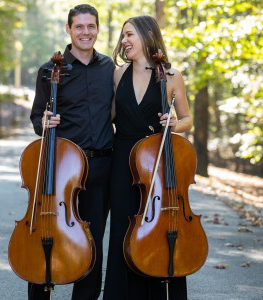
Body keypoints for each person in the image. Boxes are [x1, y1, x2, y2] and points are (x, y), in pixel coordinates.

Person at [103, 16, 192, 300]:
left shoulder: (171, 75)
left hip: (158, 159)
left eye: (129, 34)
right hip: (122, 160)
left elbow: (188, 119)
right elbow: (111, 114)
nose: (124, 41)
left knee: (158, 228)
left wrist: (173, 124)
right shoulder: (118, 74)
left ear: (147, 34)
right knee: (122, 230)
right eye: (122, 36)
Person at [29, 4, 114, 300]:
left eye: (91, 26)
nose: (85, 32)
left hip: (102, 167)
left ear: (98, 29)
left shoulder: (110, 69)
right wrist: (43, 122)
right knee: (48, 235)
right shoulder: (49, 70)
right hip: (62, 170)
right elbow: (37, 116)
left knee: (91, 244)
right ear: (68, 29)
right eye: (79, 26)